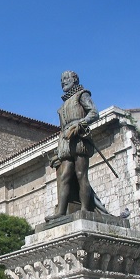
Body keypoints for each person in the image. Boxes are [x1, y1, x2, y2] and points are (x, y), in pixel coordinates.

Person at [46, 70, 106, 220]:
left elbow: (94, 113)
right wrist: (57, 152)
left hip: (79, 138)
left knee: (81, 175)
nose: (63, 82)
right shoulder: (63, 105)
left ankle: (85, 209)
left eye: (66, 78)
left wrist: (80, 124)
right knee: (65, 175)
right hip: (65, 141)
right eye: (61, 79)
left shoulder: (82, 95)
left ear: (75, 79)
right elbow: (61, 129)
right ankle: (61, 211)